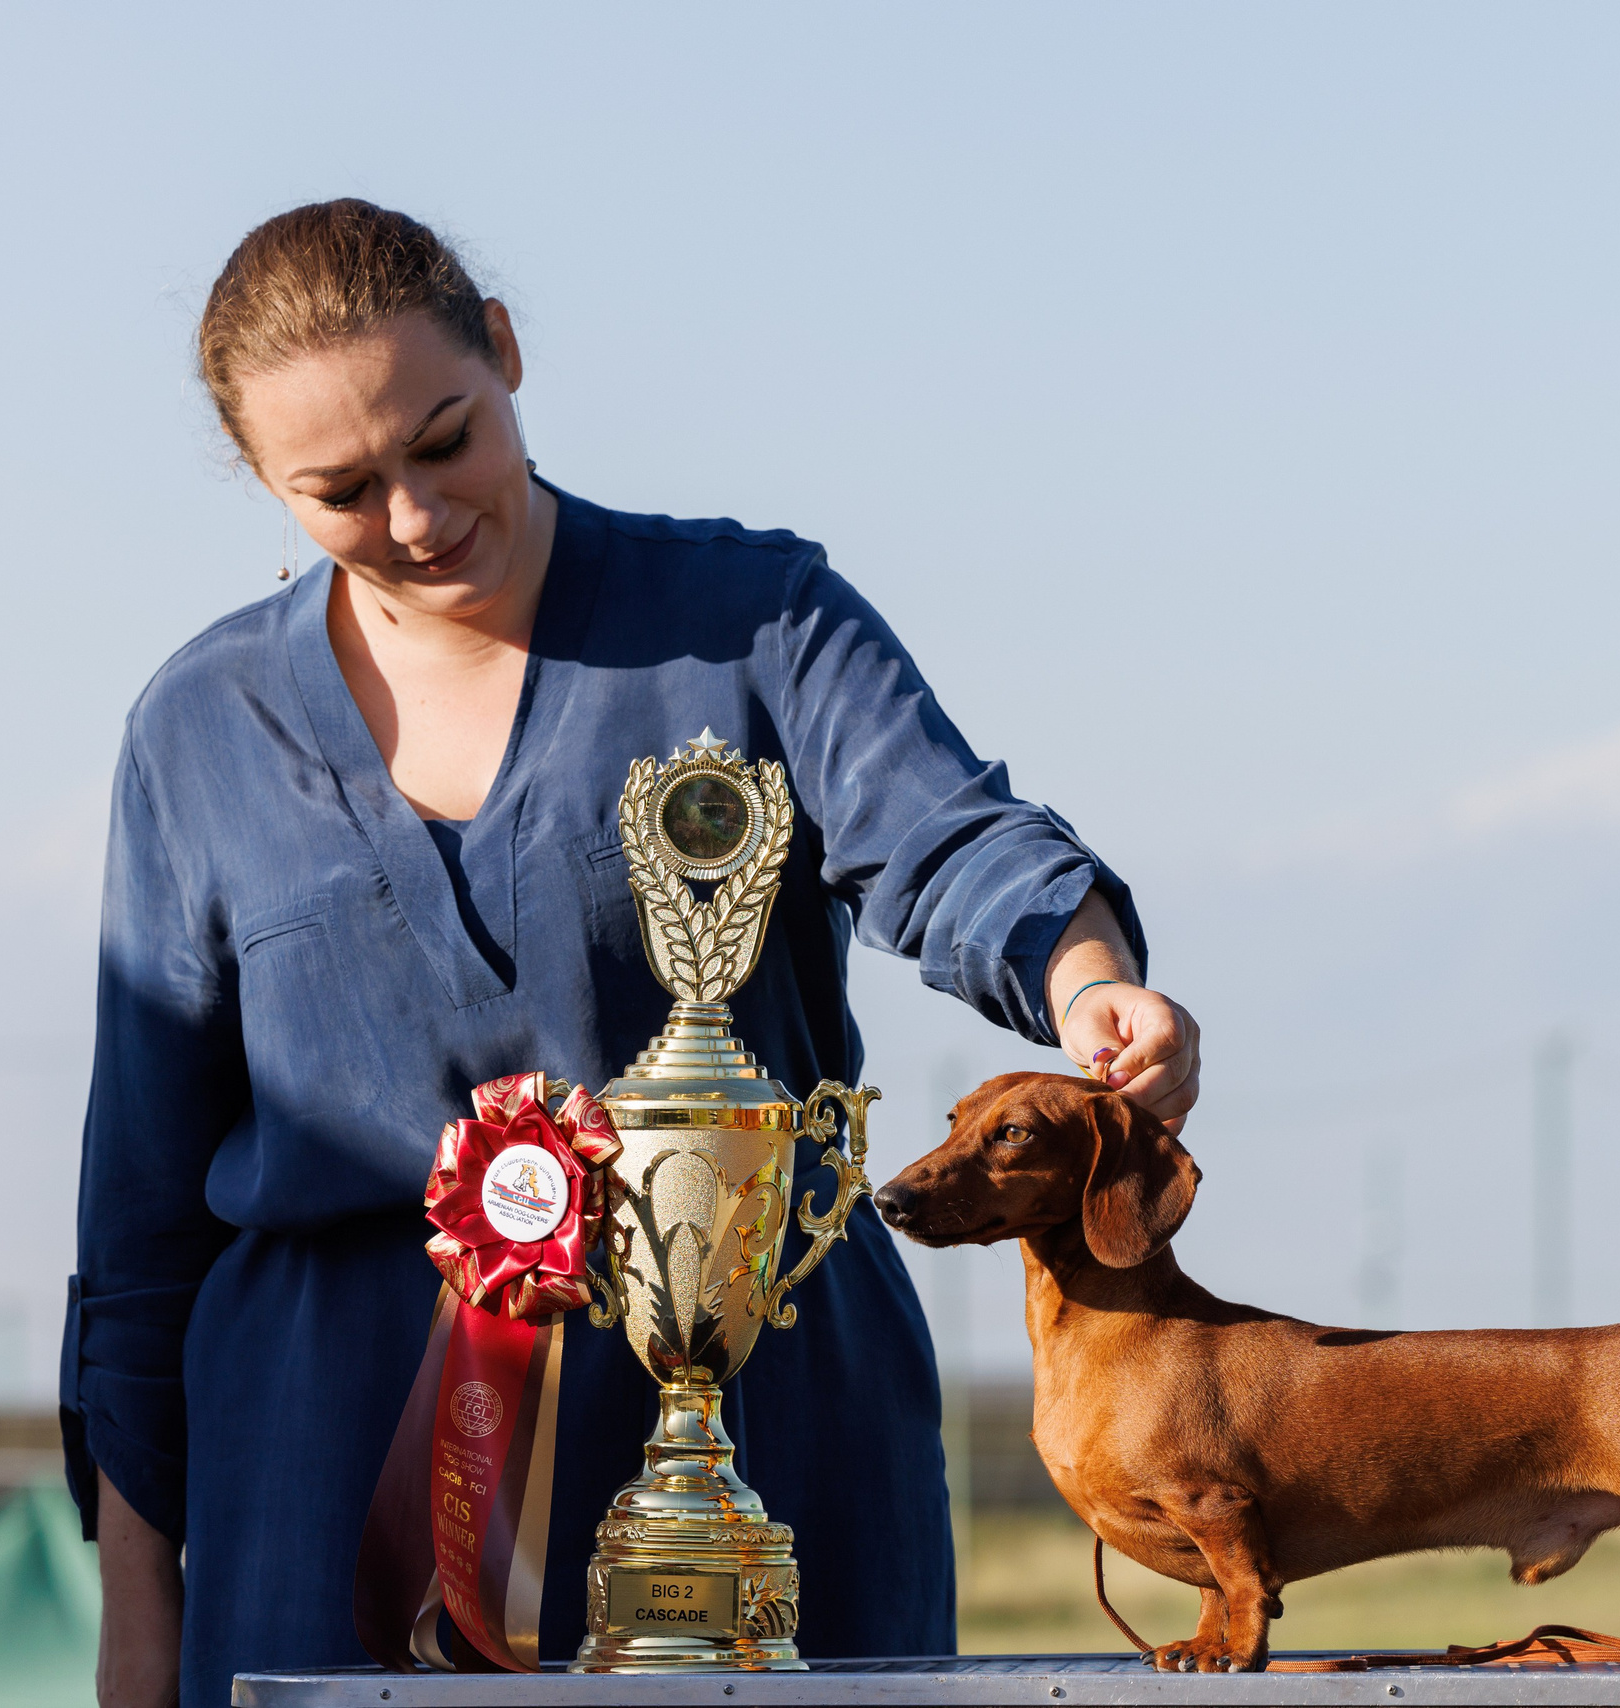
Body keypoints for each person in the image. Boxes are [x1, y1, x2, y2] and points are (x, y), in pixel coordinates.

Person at [63, 199, 1202, 1708]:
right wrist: (141, 1620)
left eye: (446, 439)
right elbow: (140, 1234)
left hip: (777, 1447)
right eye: (338, 490)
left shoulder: (756, 616)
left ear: (510, 355)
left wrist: (1084, 975)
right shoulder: (193, 731)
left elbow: (949, 837)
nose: (412, 516)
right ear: (264, 486)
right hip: (318, 1499)